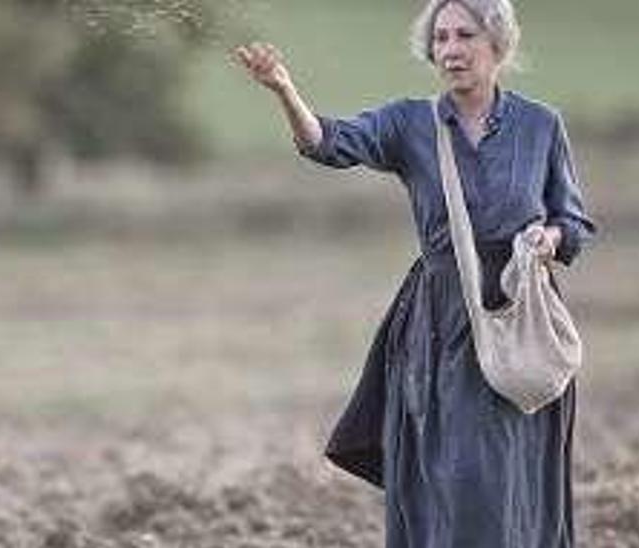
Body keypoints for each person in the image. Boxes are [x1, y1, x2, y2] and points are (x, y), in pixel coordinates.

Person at [234, 0, 595, 545]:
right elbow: (328, 143)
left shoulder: (541, 125)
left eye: (464, 35)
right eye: (441, 38)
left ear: (498, 44)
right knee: (455, 472)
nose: (450, 50)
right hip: (441, 323)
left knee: (514, 474)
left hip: (522, 321)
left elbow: (574, 221)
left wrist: (550, 238)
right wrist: (285, 90)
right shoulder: (410, 123)